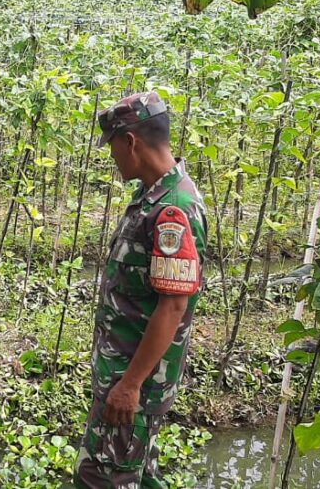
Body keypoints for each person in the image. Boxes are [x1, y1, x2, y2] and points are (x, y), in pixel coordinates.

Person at [74, 91, 207, 488]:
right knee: (134, 472)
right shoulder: (154, 195)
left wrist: (130, 386)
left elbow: (172, 308)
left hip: (133, 380)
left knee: (100, 476)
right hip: (124, 372)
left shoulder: (173, 209)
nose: (111, 156)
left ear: (129, 141)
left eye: (112, 145)